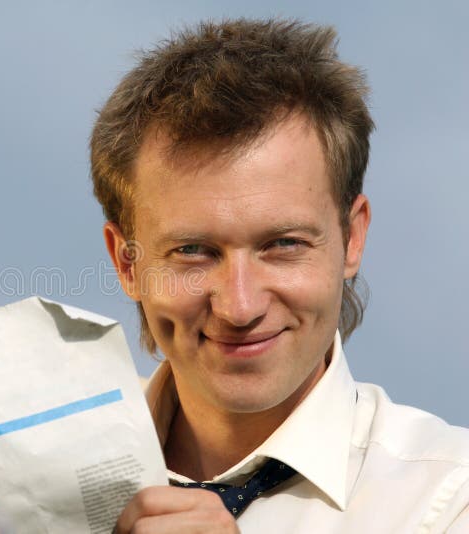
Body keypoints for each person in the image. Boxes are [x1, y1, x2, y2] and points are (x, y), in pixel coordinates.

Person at [90, 18, 469, 533]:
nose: (239, 306)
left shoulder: (447, 502)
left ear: (352, 238)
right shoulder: (23, 485)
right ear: (127, 263)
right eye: (193, 251)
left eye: (284, 245)